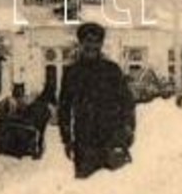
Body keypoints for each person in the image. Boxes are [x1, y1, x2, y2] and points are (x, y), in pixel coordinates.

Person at [57, 22, 136, 179]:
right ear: (81, 44)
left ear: (101, 44)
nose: (91, 46)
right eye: (87, 41)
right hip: (85, 143)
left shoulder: (112, 70)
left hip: (112, 141)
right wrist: (67, 140)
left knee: (116, 193)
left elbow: (127, 104)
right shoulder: (72, 73)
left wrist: (126, 134)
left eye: (96, 42)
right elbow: (64, 109)